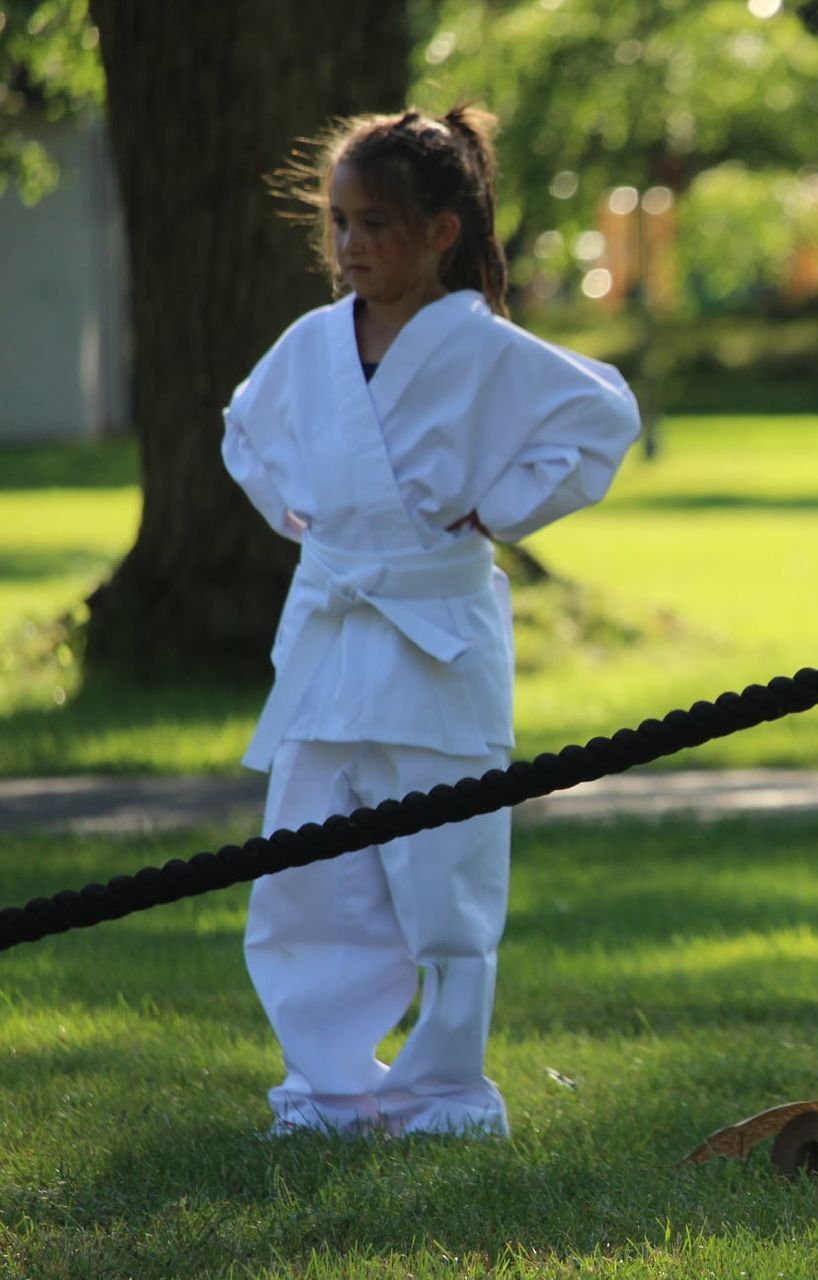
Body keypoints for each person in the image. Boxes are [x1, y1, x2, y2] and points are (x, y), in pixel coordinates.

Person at [221, 105, 640, 1139]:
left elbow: (602, 416)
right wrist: (301, 511)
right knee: (305, 880)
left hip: (435, 629)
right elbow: (245, 428)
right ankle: (324, 1089)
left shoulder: (485, 348)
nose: (352, 246)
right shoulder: (313, 344)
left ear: (442, 230)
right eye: (340, 224)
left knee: (444, 880)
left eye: (375, 224)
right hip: (331, 625)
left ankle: (444, 1091)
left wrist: (500, 508)